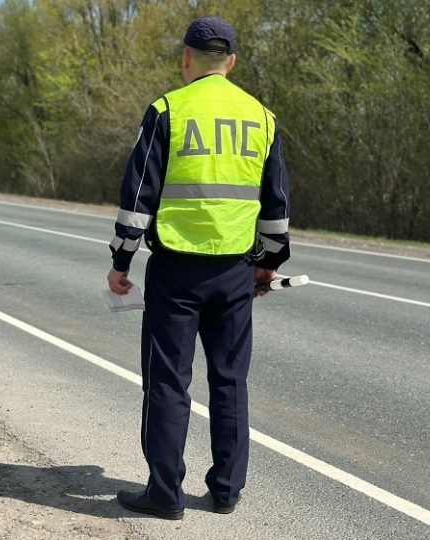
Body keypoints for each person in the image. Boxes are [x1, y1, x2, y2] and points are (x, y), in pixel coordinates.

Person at [107, 16, 290, 520]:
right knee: (230, 381)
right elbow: (276, 206)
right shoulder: (262, 117)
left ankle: (165, 495)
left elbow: (137, 196)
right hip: (235, 271)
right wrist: (268, 265)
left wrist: (121, 260)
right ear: (230, 62)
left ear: (186, 58)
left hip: (176, 271)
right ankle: (227, 491)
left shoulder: (168, 109)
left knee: (168, 382)